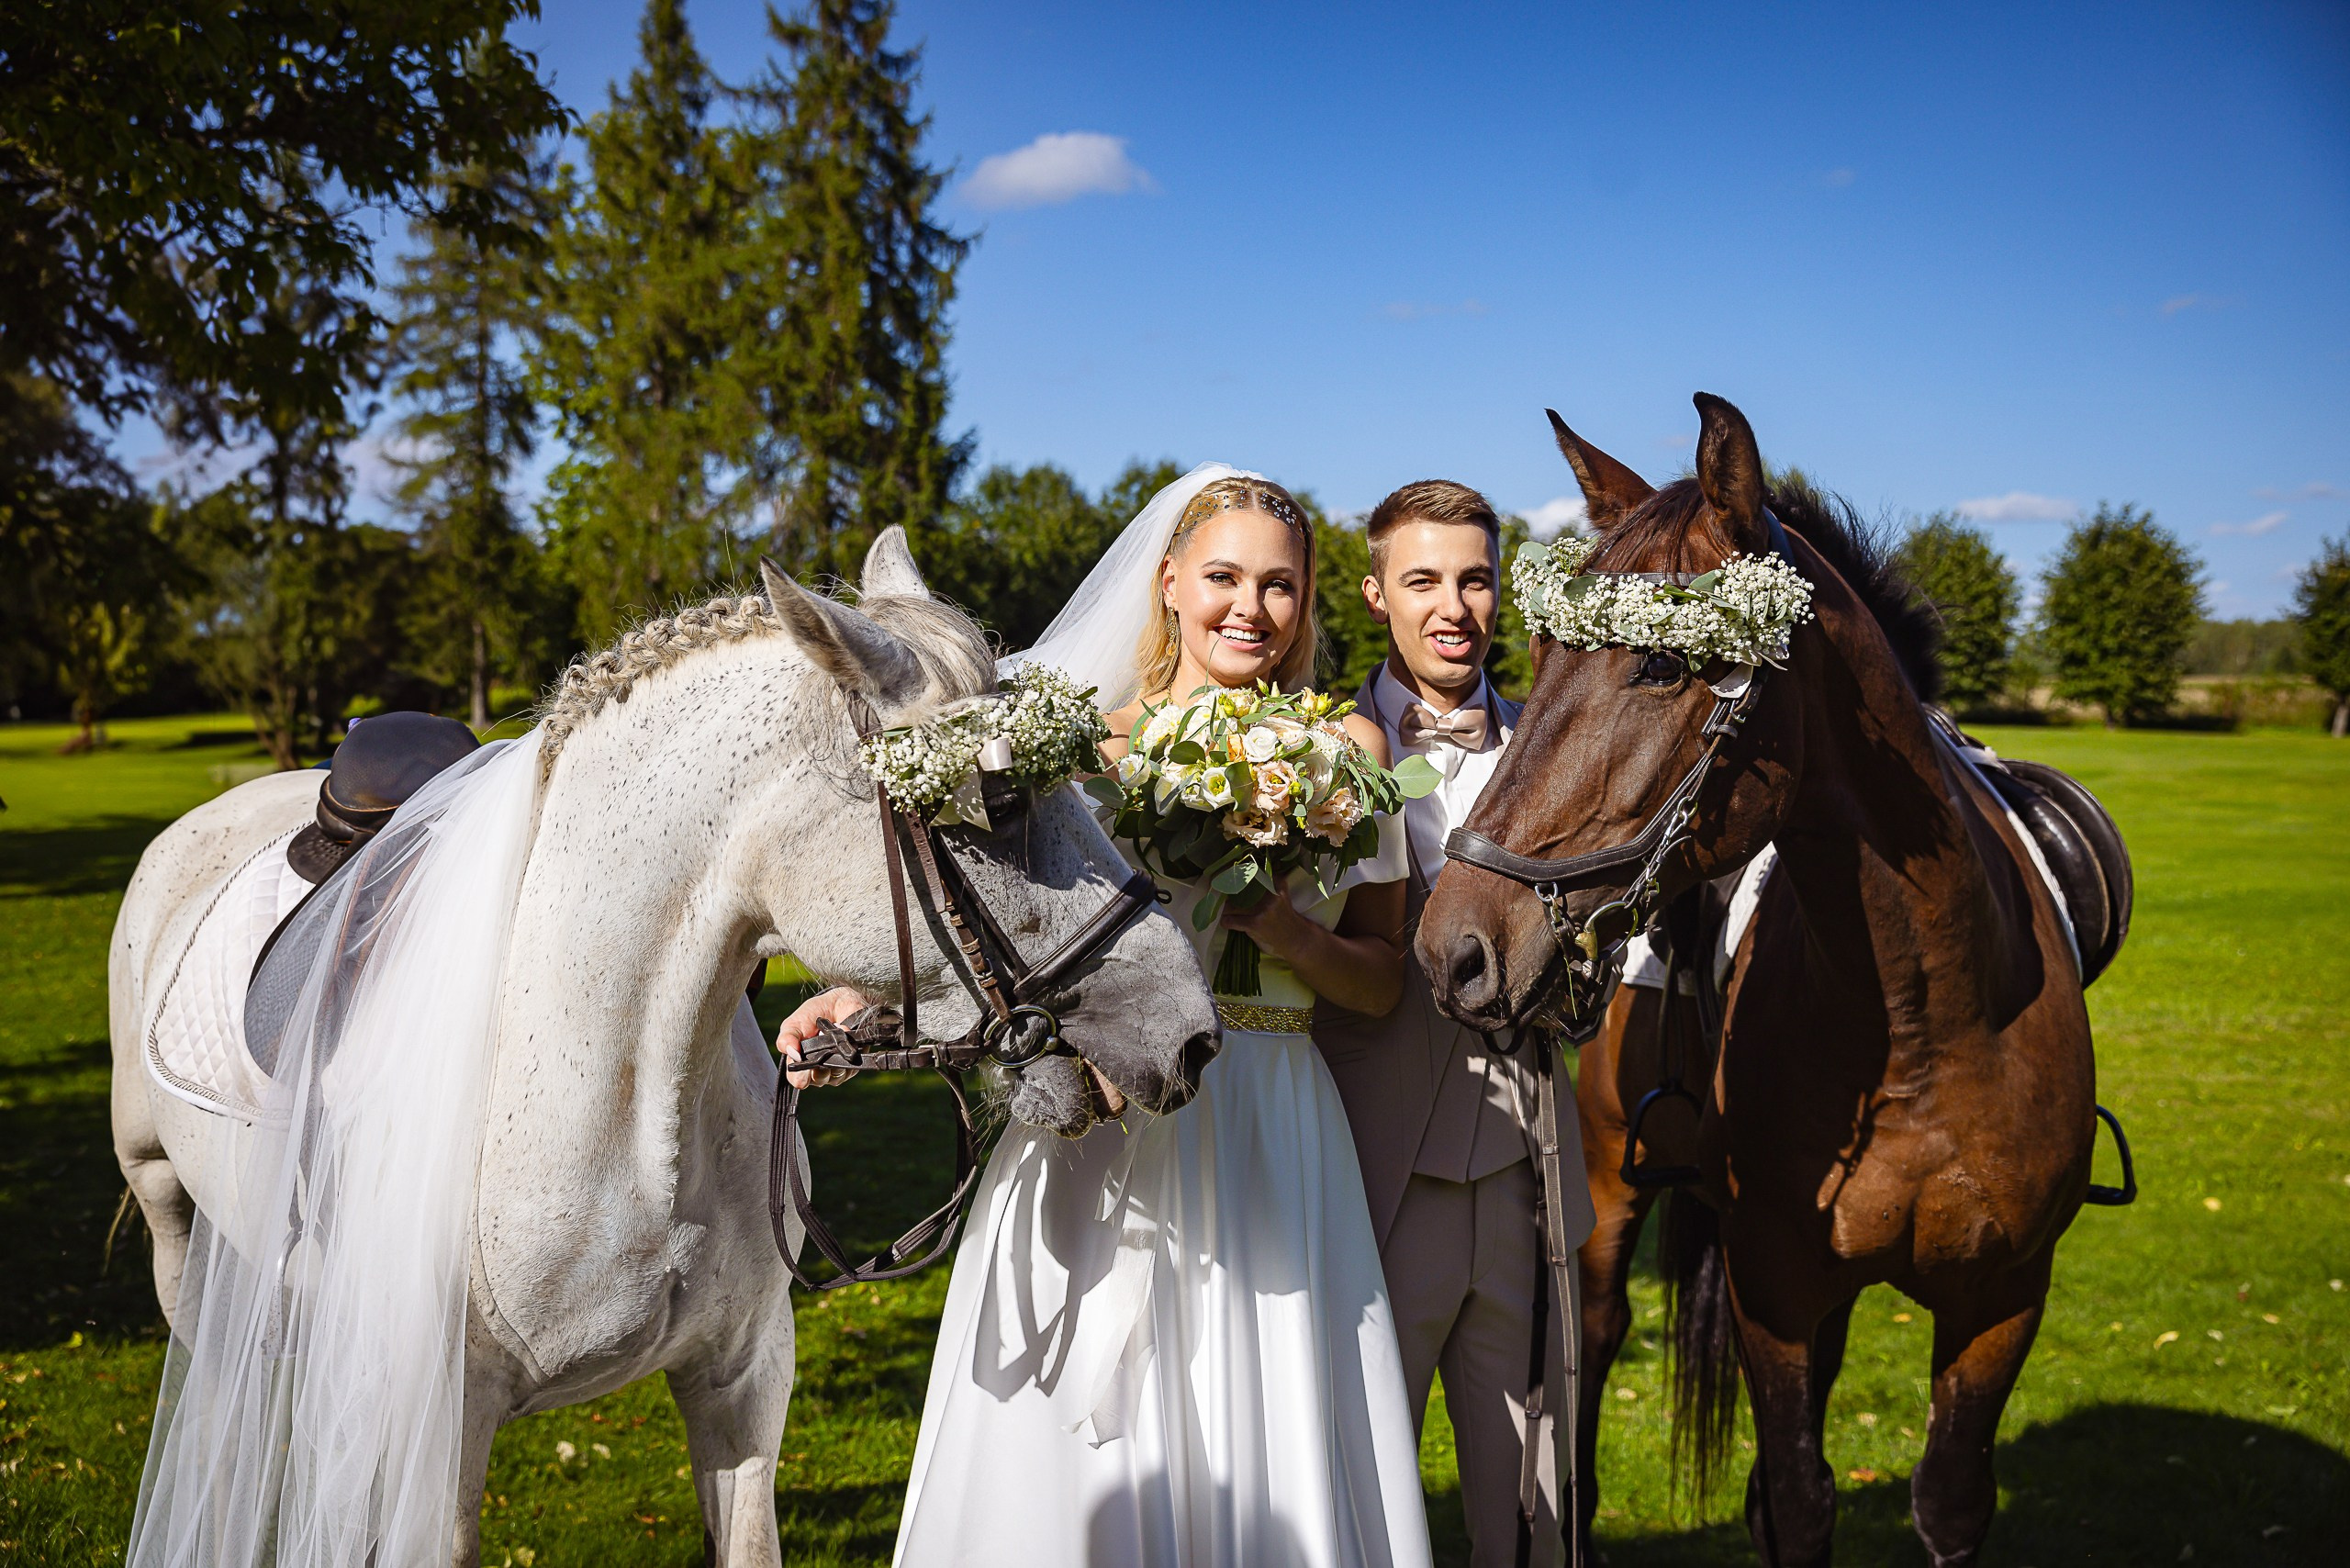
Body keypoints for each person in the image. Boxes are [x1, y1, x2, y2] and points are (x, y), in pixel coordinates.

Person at [783, 465, 1435, 1568]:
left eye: (1279, 586)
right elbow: (1003, 923)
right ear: (1170, 581)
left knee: (1267, 1398)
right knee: (1083, 1424)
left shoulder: (1353, 758)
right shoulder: (1083, 748)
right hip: (1099, 1113)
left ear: (1308, 599)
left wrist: (1276, 923)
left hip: (1273, 1115)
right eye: (1222, 575)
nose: (1250, 608)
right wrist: (861, 995)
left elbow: (1378, 980)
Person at [1314, 480, 1596, 1568]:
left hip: (1532, 1166)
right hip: (1371, 1169)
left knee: (1537, 1501)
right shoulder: (1308, 751)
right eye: (1423, 578)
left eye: (1474, 578)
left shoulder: (1565, 744)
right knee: (1355, 1488)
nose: (1453, 604)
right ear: (1377, 592)